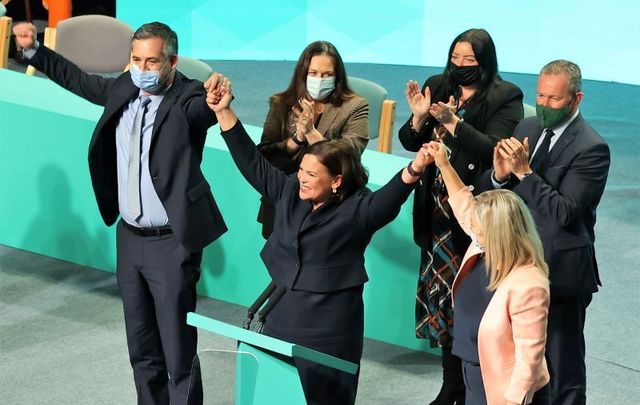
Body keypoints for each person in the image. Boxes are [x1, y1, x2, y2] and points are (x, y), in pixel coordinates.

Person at [13, 21, 228, 405]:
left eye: (152, 61)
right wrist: (33, 52)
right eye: (135, 60)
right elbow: (79, 80)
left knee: (177, 352)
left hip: (171, 244)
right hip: (129, 240)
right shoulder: (124, 86)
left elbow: (204, 112)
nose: (142, 69)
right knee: (142, 349)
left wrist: (216, 99)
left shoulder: (188, 98)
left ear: (172, 62)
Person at [204, 73, 429, 405]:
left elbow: (389, 199)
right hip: (282, 311)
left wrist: (415, 169)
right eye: (301, 171)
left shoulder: (358, 211)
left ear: (337, 181)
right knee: (276, 391)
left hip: (330, 323)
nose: (301, 179)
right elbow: (252, 163)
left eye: (311, 174)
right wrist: (224, 113)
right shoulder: (288, 192)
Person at [397, 28, 524, 404]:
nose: (461, 66)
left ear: (484, 61)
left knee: (465, 302)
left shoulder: (505, 96)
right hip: (433, 210)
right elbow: (409, 141)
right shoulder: (438, 84)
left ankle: (467, 384)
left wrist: (454, 123)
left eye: (469, 61)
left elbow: (493, 152)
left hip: (470, 212)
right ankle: (449, 383)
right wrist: (419, 119)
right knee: (439, 301)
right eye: (456, 59)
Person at [483, 60, 611, 405]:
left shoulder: (591, 148)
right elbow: (501, 195)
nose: (543, 104)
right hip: (517, 266)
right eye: (540, 95)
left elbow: (565, 212)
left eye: (553, 99)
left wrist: (523, 174)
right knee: (523, 365)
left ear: (576, 99)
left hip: (561, 272)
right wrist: (498, 175)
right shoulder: (526, 126)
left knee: (562, 368)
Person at [428, 140, 551, 405]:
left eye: (477, 228)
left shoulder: (529, 284)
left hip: (503, 389)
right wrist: (444, 164)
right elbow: (464, 206)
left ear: (499, 233)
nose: (471, 230)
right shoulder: (483, 246)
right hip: (473, 371)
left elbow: (529, 358)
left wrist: (513, 400)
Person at [256, 40, 369, 238]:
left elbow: (349, 155)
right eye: (313, 73)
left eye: (327, 75)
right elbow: (265, 157)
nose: (319, 79)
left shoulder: (355, 106)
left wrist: (311, 133)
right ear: (303, 74)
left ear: (337, 77)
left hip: (330, 211)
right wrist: (296, 139)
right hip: (282, 206)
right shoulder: (280, 103)